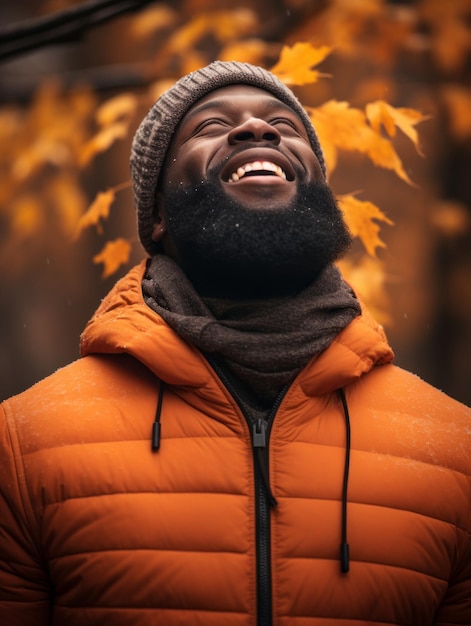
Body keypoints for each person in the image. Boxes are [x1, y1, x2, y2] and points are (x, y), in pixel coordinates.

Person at [0, 61, 470, 626]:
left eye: (283, 124)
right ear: (157, 219)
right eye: (209, 126)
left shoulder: (454, 450)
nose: (257, 130)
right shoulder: (25, 444)